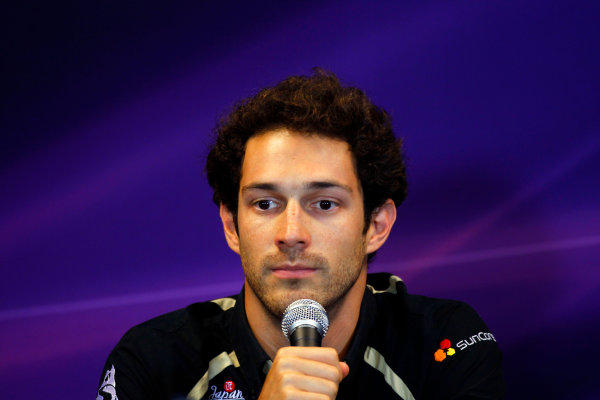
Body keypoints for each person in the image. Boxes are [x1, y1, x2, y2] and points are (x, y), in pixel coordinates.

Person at [97, 69, 505, 400]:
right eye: (265, 204)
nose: (291, 234)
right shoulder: (152, 361)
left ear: (376, 226)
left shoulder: (445, 343)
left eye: (324, 204)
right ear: (230, 226)